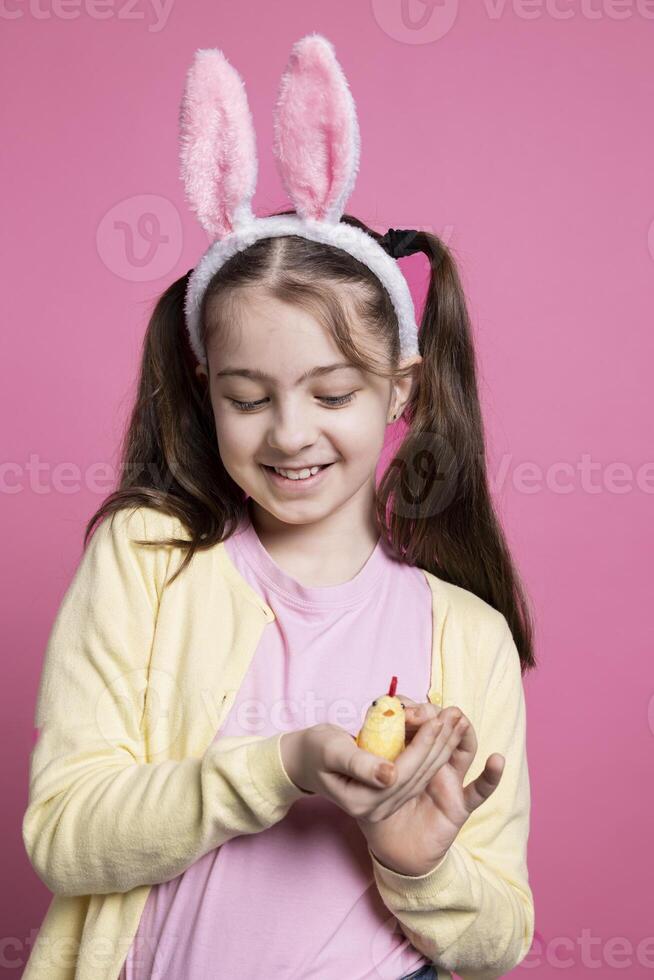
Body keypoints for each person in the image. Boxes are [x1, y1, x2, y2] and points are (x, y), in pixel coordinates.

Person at [21, 34, 536, 980]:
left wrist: (414, 864)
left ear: (399, 391)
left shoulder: (468, 637)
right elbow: (63, 834)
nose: (290, 433)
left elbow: (499, 938)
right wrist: (277, 769)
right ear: (203, 384)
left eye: (332, 394)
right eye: (248, 398)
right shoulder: (149, 558)